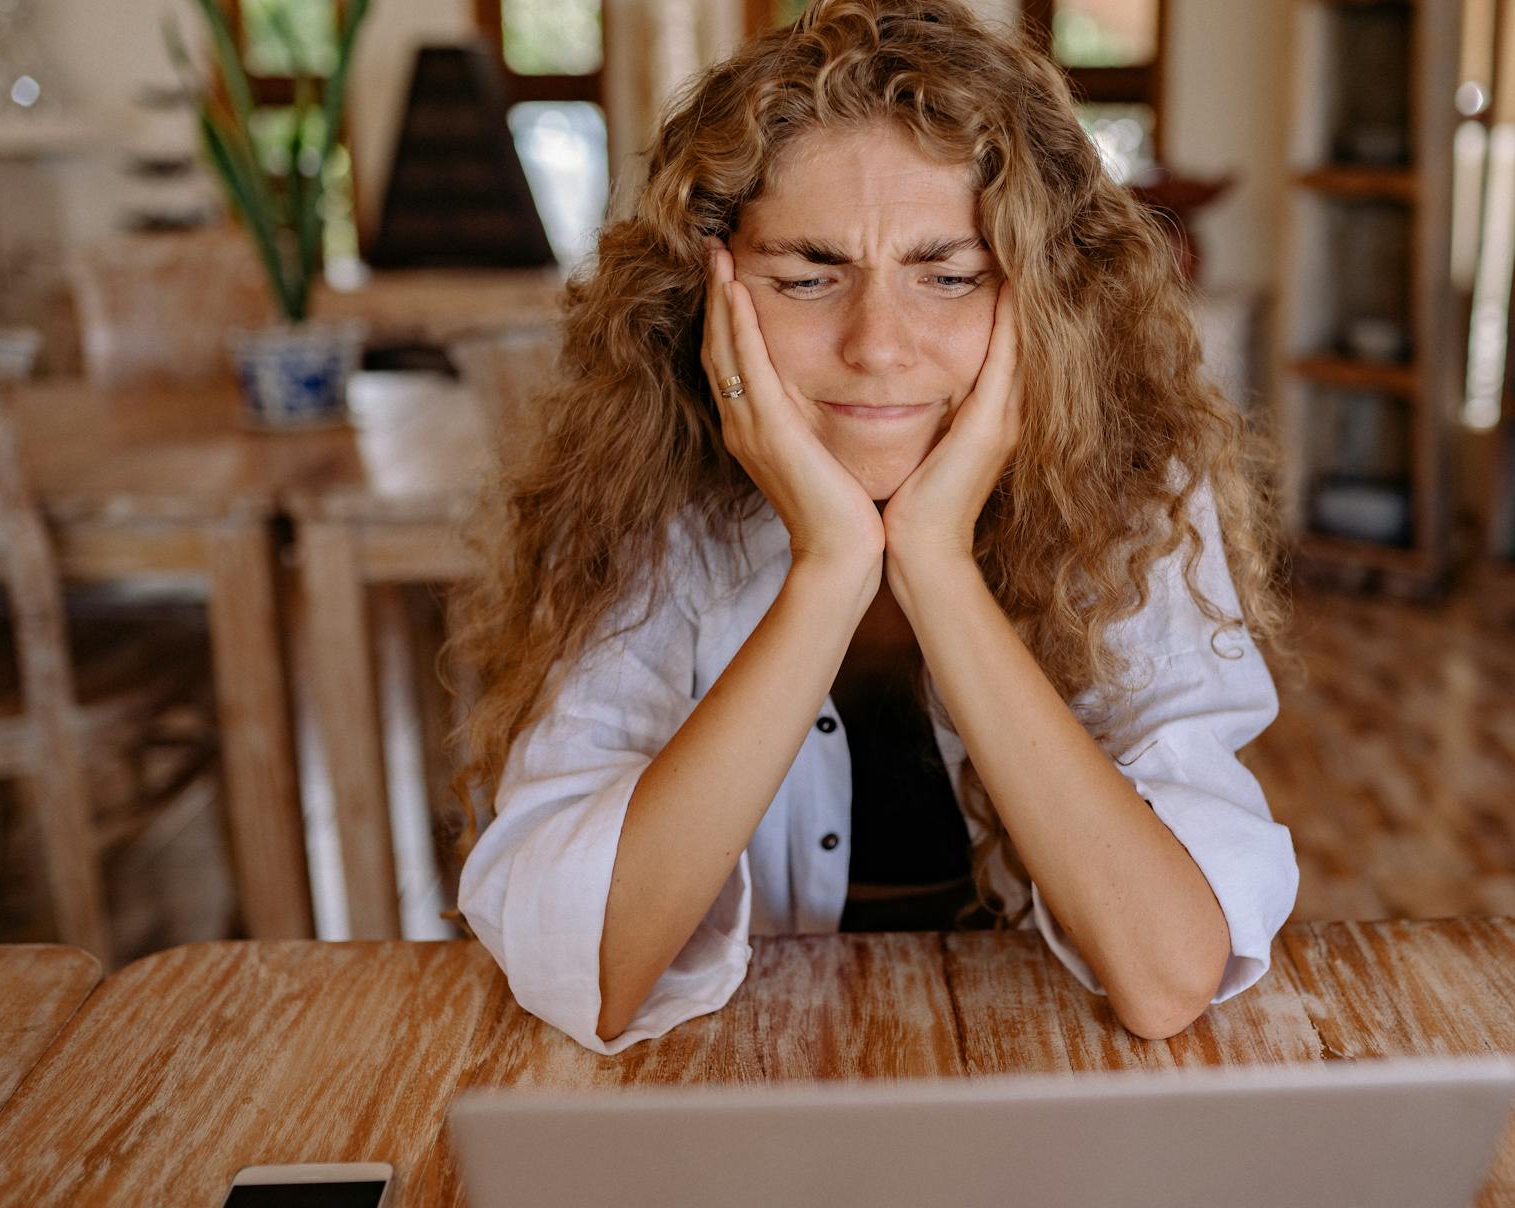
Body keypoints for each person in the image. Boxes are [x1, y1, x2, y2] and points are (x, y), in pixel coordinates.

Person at [451, 0, 1297, 1055]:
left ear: (1043, 299)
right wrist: (831, 568)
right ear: (709, 293)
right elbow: (595, 970)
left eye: (949, 277)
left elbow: (1170, 972)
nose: (878, 346)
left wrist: (937, 565)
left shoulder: (1129, 491)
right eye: (807, 277)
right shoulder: (644, 489)